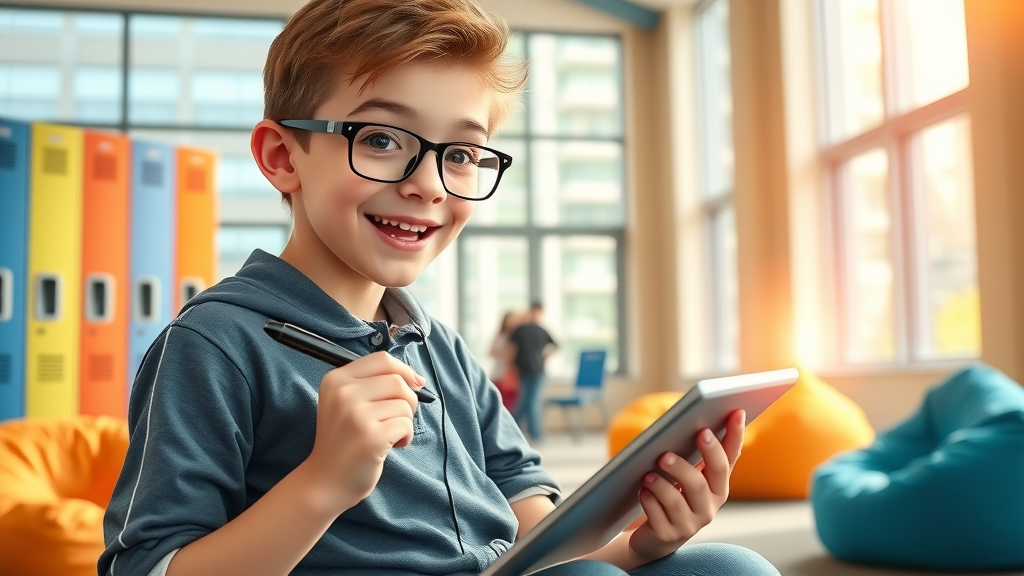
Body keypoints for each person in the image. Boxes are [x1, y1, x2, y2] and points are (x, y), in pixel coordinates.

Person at [98, 1, 781, 575]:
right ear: (284, 158)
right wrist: (323, 484)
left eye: (460, 153)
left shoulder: (442, 351)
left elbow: (535, 545)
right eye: (383, 139)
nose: (428, 184)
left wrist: (642, 543)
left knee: (732, 567)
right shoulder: (214, 346)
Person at [507, 302, 558, 442]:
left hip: (534, 370)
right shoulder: (526, 330)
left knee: (528, 400)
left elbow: (512, 350)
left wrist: (544, 357)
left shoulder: (530, 329)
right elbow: (513, 350)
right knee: (530, 401)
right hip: (529, 370)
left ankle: (514, 428)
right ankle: (533, 433)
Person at [490, 310, 522, 412]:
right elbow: (491, 352)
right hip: (499, 373)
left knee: (511, 406)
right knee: (498, 404)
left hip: (512, 376)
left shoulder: (517, 337)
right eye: (510, 320)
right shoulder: (500, 336)